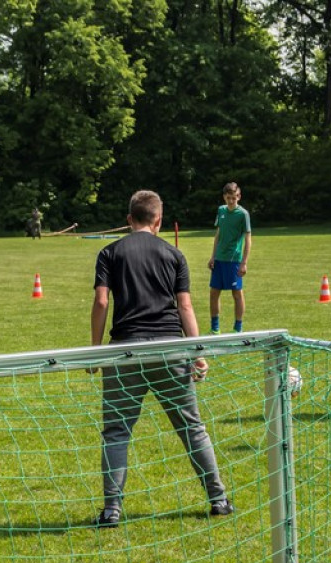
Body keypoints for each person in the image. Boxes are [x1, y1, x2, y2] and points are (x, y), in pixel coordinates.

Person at [90, 189, 233, 527]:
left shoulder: (109, 252)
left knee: (117, 432)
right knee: (192, 427)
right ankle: (218, 500)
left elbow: (101, 302)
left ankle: (111, 510)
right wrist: (198, 353)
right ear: (158, 221)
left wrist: (95, 351)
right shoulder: (174, 254)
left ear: (129, 219)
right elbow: (185, 306)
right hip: (171, 350)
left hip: (124, 352)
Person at [207, 182, 251, 334]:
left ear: (239, 196)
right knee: (214, 293)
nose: (231, 201)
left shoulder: (243, 214)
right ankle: (215, 329)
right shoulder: (221, 210)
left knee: (237, 293)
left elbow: (248, 239)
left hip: (234, 261)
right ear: (224, 197)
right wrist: (213, 256)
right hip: (219, 259)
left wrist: (244, 262)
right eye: (228, 198)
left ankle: (237, 328)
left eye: (234, 198)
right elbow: (218, 235)